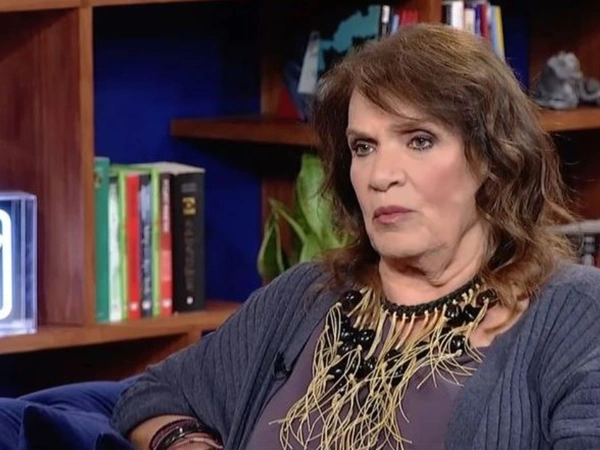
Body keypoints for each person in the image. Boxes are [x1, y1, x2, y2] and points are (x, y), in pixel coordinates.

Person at [110, 22, 600, 450]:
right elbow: (152, 395)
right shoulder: (306, 296)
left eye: (419, 140)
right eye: (363, 147)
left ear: (493, 159)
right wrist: (187, 442)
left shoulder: (574, 315)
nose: (380, 175)